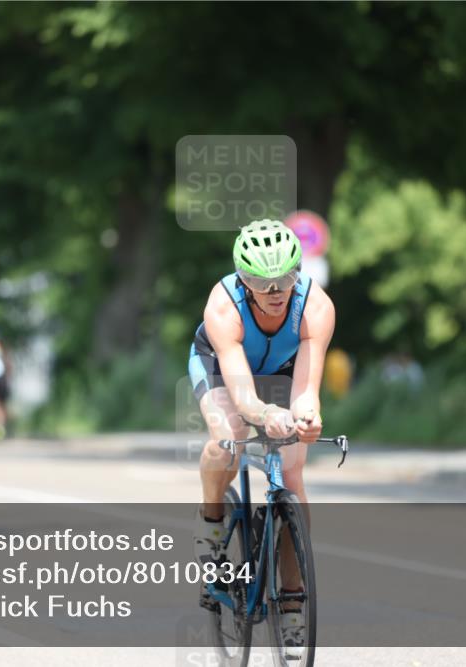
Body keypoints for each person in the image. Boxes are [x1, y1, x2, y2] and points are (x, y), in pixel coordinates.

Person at [188, 219, 335, 645]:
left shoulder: (317, 307)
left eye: (284, 280)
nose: (274, 293)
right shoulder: (222, 306)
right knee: (227, 438)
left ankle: (292, 599)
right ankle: (212, 517)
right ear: (242, 279)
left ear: (299, 273)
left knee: (292, 474)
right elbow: (245, 398)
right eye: (259, 281)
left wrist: (306, 417)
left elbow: (307, 392)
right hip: (223, 367)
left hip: (283, 372)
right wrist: (264, 412)